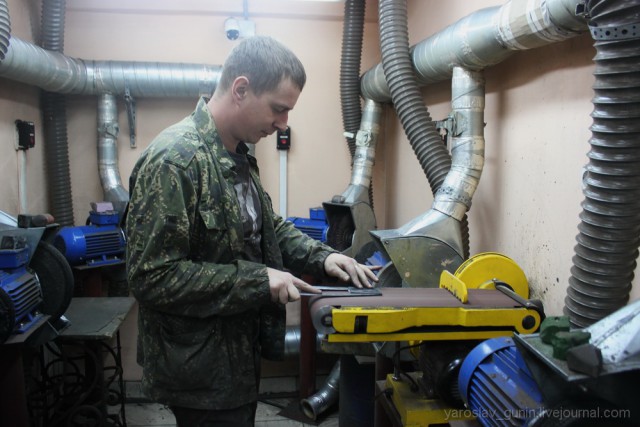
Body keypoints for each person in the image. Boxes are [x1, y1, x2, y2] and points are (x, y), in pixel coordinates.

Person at [125, 35, 379, 427]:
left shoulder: (238, 155)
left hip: (234, 359)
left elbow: (268, 226)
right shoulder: (176, 161)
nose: (283, 123)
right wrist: (258, 279)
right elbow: (151, 276)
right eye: (278, 109)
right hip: (198, 371)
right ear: (241, 89)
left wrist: (323, 256)